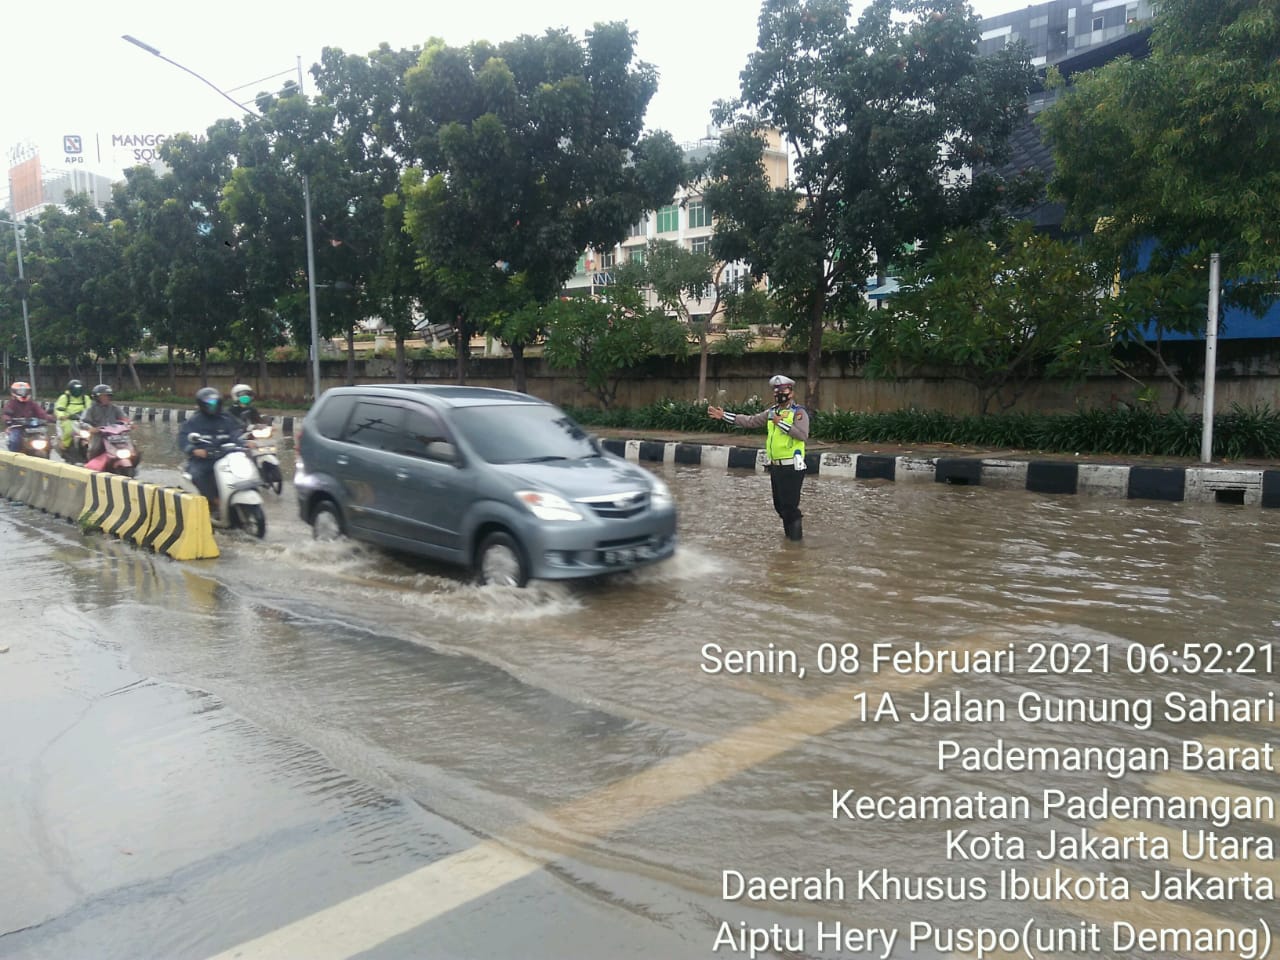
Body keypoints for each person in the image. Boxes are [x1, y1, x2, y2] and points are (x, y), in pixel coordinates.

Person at [708, 374, 810, 541]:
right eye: (776, 391)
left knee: (790, 508)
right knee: (780, 507)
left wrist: (780, 423)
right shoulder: (772, 412)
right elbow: (751, 421)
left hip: (792, 465)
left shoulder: (799, 413)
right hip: (776, 465)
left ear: (791, 392)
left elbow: (802, 435)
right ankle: (790, 541)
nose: (779, 394)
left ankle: (796, 544)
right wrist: (725, 416)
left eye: (783, 390)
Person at [181, 387, 245, 508]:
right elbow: (183, 438)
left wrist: (243, 443)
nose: (213, 406)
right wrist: (194, 450)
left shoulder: (227, 418)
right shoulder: (194, 421)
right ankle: (214, 500)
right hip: (205, 459)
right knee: (197, 474)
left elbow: (236, 432)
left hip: (227, 456)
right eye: (209, 403)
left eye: (215, 403)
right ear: (202, 405)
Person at [82, 384, 132, 467]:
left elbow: (124, 418)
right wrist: (91, 428)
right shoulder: (91, 409)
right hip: (99, 435)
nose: (106, 398)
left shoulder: (115, 408)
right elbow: (83, 422)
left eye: (107, 396)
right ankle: (89, 464)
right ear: (96, 397)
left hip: (116, 436)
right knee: (94, 448)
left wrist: (130, 424)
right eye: (103, 396)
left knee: (133, 448)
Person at [3, 381, 55, 452]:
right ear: (14, 392)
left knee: (47, 441)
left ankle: (48, 457)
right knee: (14, 440)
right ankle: (14, 458)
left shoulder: (32, 403)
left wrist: (50, 418)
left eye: (25, 391)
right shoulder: (11, 404)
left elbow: (41, 413)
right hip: (17, 427)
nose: (23, 393)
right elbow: (6, 414)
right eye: (20, 391)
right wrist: (8, 420)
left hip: (32, 427)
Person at [54, 379, 91, 450]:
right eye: (75, 389)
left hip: (82, 420)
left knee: (93, 431)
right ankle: (63, 444)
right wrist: (62, 416)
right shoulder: (64, 397)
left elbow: (89, 409)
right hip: (68, 419)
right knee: (68, 429)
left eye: (79, 389)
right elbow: (59, 408)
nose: (77, 391)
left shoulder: (85, 398)